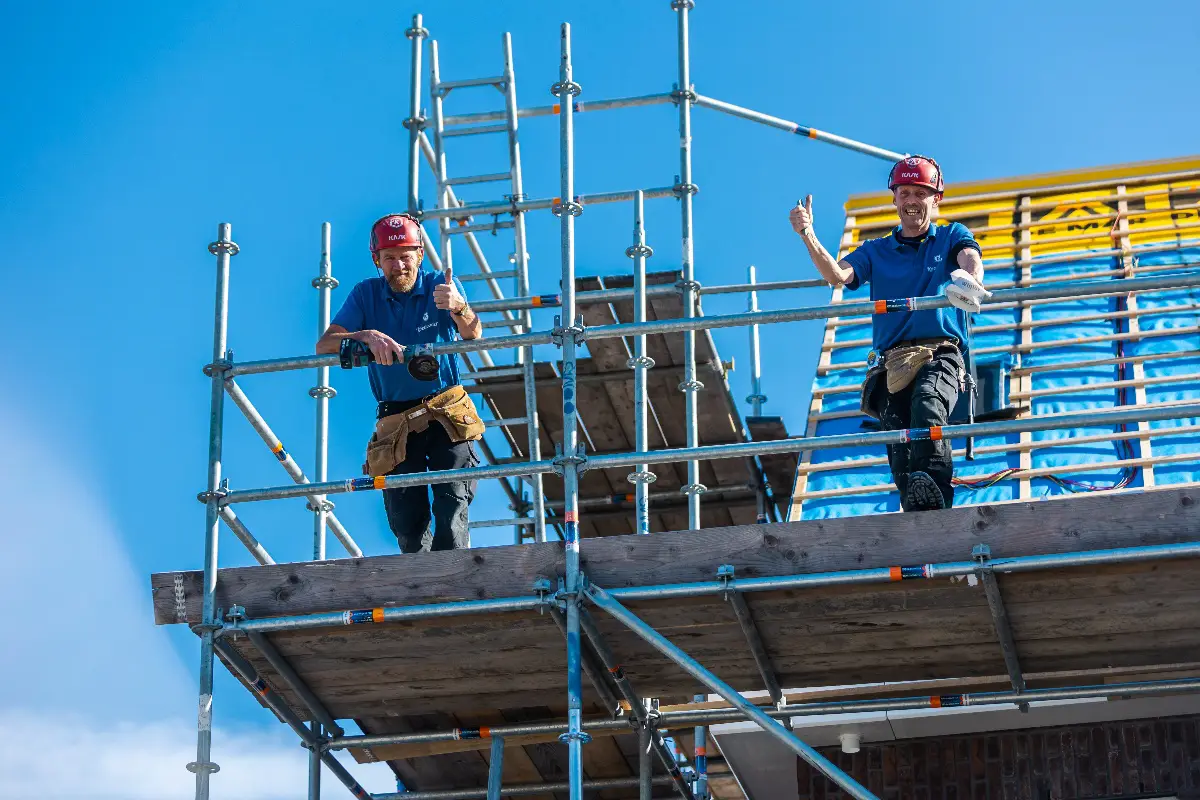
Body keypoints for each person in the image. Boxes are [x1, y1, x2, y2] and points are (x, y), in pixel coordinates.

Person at [789, 156, 989, 511]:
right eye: (905, 193)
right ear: (895, 198)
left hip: (939, 351)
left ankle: (937, 496)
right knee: (898, 436)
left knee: (928, 406)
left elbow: (970, 258)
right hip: (891, 360)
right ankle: (914, 505)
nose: (912, 200)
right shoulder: (875, 251)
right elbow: (838, 276)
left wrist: (970, 281)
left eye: (920, 193)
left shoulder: (950, 237)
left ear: (936, 198)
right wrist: (808, 236)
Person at [316, 213, 486, 551]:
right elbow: (324, 346)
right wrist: (365, 335)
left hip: (445, 410)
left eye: (406, 256)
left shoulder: (441, 284)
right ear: (376, 260)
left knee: (452, 511)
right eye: (389, 258)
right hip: (395, 419)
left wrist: (459, 307)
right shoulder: (366, 295)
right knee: (407, 526)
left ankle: (454, 593)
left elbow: (474, 334)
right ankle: (421, 596)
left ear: (420, 255)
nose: (399, 265)